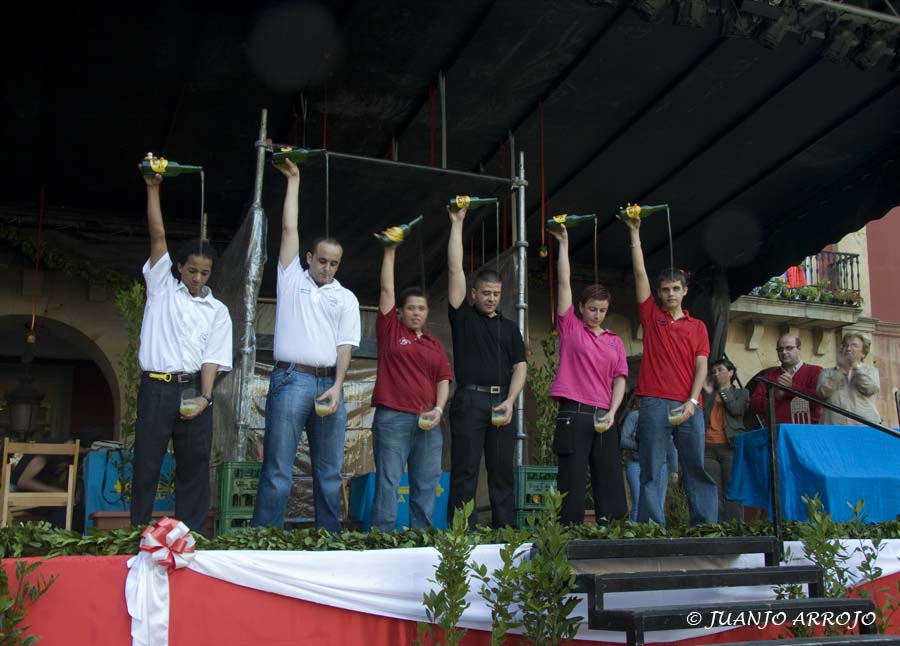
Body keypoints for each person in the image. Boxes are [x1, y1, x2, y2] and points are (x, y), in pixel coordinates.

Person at [252, 159, 361, 532]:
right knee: (279, 468)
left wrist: (338, 386)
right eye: (322, 260)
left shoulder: (346, 297)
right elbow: (288, 228)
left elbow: (346, 345)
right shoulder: (290, 280)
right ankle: (264, 539)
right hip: (290, 380)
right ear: (308, 258)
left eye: (334, 263)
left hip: (329, 383)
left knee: (329, 472)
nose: (327, 268)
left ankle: (329, 540)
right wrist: (294, 181)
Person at [131, 169, 233, 532]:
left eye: (205, 273)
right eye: (192, 270)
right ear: (179, 268)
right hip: (157, 386)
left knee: (194, 464)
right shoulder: (161, 288)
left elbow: (212, 359)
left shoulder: (218, 311)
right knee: (147, 461)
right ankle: (139, 529)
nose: (198, 278)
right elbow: (157, 235)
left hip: (193, 390)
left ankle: (189, 534)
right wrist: (153, 188)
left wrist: (205, 397)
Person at [623, 214, 717, 526]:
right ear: (660, 292)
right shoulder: (652, 316)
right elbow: (639, 275)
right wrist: (635, 233)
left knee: (695, 467)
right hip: (653, 401)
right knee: (651, 467)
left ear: (685, 291)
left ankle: (703, 526)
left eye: (676, 288)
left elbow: (702, 365)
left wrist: (692, 402)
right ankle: (652, 527)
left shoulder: (698, 326)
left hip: (689, 404)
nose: (670, 294)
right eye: (665, 289)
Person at [446, 202, 527, 529]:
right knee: (465, 470)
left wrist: (510, 400)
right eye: (486, 293)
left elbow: (520, 366)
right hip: (469, 400)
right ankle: (459, 535)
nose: (491, 298)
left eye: (496, 293)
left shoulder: (509, 328)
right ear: (474, 293)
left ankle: (504, 532)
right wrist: (457, 222)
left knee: (501, 470)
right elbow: (454, 270)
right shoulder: (463, 318)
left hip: (501, 402)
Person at [369, 239, 452, 532]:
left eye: (422, 308)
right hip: (393, 416)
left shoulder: (434, 344)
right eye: (411, 308)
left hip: (428, 421)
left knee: (427, 481)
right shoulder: (390, 330)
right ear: (400, 312)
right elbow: (387, 291)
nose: (417, 313)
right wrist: (390, 252)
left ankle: (422, 537)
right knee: (389, 480)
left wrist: (439, 409)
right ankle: (383, 536)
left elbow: (443, 379)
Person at [547, 224, 627, 524]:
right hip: (573, 412)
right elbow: (564, 282)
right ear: (581, 307)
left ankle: (613, 532)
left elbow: (620, 379)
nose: (596, 314)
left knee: (608, 477)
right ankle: (568, 533)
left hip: (603, 413)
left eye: (602, 310)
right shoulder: (571, 327)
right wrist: (564, 243)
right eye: (592, 308)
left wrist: (613, 412)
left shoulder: (614, 340)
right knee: (572, 476)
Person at [702, 358, 749, 522]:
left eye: (720, 370)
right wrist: (709, 393)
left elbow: (736, 410)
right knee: (713, 490)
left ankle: (734, 528)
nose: (716, 374)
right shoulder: (708, 394)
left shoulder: (741, 393)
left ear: (731, 372)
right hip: (707, 447)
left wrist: (723, 390)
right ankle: (716, 528)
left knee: (733, 489)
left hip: (730, 446)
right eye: (713, 372)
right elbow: (701, 416)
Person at [620, 400, 678, 522]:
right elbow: (623, 440)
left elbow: (670, 444)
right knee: (638, 502)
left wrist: (674, 469)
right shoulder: (635, 416)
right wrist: (644, 447)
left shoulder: (665, 416)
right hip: (637, 464)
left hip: (661, 466)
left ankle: (658, 536)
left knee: (659, 504)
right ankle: (636, 536)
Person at [749, 334, 822, 424]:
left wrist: (791, 388)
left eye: (789, 348)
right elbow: (753, 405)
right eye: (780, 349)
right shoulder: (768, 377)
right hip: (777, 434)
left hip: (809, 433)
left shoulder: (816, 371)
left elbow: (819, 401)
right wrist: (774, 397)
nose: (783, 352)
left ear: (799, 349)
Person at [816, 332, 882, 426]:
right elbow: (822, 393)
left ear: (863, 353)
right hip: (833, 426)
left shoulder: (871, 372)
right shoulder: (826, 372)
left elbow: (868, 389)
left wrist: (855, 368)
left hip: (864, 427)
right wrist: (840, 371)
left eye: (854, 345)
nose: (848, 348)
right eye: (845, 345)